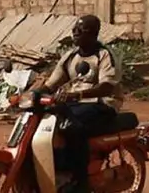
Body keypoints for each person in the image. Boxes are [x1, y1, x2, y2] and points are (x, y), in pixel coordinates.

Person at [32, 16, 120, 193]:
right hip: (75, 103)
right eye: (74, 30)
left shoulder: (104, 55)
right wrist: (34, 93)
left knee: (72, 126)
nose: (75, 34)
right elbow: (52, 83)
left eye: (81, 31)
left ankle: (80, 181)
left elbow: (106, 87)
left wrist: (78, 94)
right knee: (43, 120)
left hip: (102, 104)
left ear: (93, 34)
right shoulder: (70, 56)